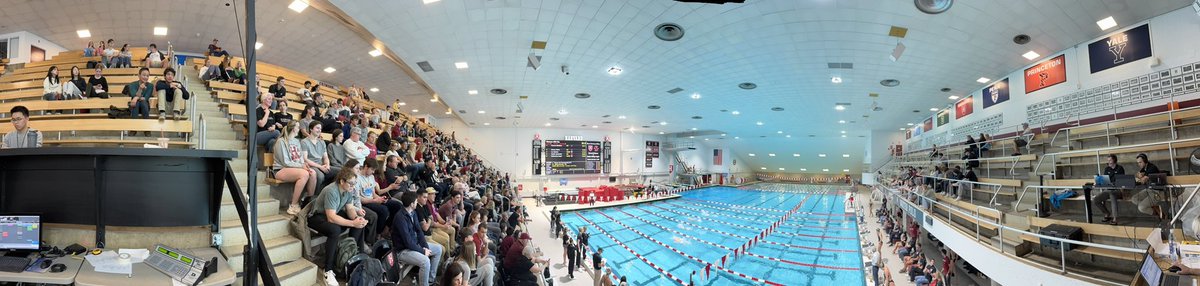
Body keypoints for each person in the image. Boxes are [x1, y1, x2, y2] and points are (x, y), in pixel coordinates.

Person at [306, 165, 368, 286]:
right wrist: (352, 223)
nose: (353, 186)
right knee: (335, 229)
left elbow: (350, 209)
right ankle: (328, 270)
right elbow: (331, 217)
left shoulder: (348, 190)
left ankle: (351, 256)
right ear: (342, 181)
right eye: (351, 183)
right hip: (317, 216)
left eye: (355, 184)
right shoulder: (331, 190)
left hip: (331, 213)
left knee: (359, 224)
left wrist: (356, 219)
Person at [393, 191, 444, 286]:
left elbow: (419, 231)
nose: (417, 203)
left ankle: (430, 280)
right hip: (403, 250)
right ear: (412, 204)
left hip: (414, 245)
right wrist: (422, 251)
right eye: (416, 201)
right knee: (425, 261)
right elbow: (407, 242)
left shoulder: (413, 212)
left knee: (438, 249)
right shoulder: (400, 218)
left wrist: (425, 247)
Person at [274, 122, 317, 215]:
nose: (299, 128)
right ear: (293, 129)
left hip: (295, 168)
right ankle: (293, 205)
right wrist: (302, 167)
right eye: (298, 127)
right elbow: (285, 162)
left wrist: (304, 165)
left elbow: (300, 158)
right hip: (281, 169)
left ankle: (308, 203)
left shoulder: (297, 141)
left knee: (312, 173)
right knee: (304, 174)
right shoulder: (281, 141)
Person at [356, 159, 405, 240]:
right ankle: (378, 233)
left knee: (397, 206)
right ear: (365, 167)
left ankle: (386, 230)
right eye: (372, 170)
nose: (373, 172)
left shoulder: (371, 177)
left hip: (373, 199)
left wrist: (379, 198)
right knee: (384, 210)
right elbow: (358, 198)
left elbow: (373, 193)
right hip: (365, 202)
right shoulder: (357, 178)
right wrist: (375, 200)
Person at [300, 121, 335, 188]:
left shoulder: (322, 142)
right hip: (311, 166)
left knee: (340, 172)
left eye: (320, 129)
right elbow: (305, 159)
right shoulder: (304, 142)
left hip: (322, 165)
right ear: (311, 129)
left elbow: (326, 157)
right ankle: (314, 196)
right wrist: (320, 167)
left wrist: (327, 165)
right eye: (317, 128)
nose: (319, 130)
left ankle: (326, 191)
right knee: (320, 176)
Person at [1095, 154, 1126, 224]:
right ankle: (1107, 213)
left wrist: (1122, 191)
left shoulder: (1120, 168)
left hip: (1118, 190)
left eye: (1110, 160)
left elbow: (1122, 181)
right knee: (1096, 200)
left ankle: (1115, 218)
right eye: (1108, 160)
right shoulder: (1107, 169)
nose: (1108, 162)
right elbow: (1105, 181)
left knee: (1112, 194)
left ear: (1114, 160)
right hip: (1109, 190)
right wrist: (1099, 181)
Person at [1131, 153, 1163, 218]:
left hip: (1157, 191)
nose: (1139, 164)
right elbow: (1138, 174)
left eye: (1140, 162)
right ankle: (1154, 207)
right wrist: (1139, 175)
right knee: (1134, 199)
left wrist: (1140, 177)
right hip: (1149, 189)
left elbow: (1143, 181)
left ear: (1145, 161)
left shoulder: (1152, 168)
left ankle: (1157, 213)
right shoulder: (1144, 167)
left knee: (1141, 207)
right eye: (1138, 163)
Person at [125, 68, 154, 134]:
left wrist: (135, 98)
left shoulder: (150, 86)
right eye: (144, 75)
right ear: (139, 75)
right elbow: (133, 94)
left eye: (147, 76)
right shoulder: (132, 84)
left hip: (145, 107)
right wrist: (140, 89)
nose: (146, 77)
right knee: (136, 103)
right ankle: (135, 129)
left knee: (142, 102)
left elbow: (145, 98)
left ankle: (144, 129)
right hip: (134, 106)